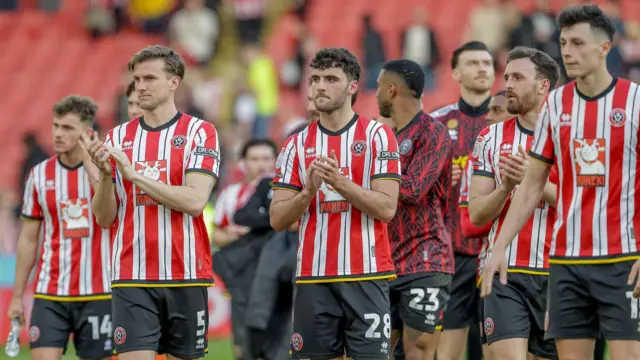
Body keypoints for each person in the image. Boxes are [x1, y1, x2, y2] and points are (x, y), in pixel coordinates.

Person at [482, 5, 640, 360]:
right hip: (567, 262)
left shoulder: (635, 101)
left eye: (578, 43)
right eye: (564, 42)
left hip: (623, 260)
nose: (567, 50)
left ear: (604, 48)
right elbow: (532, 185)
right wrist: (499, 248)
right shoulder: (556, 104)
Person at [84, 45, 220, 360]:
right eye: (137, 79)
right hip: (132, 274)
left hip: (185, 273)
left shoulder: (201, 133)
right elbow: (105, 218)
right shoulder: (117, 137)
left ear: (174, 82)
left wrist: (135, 176)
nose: (141, 86)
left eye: (149, 78)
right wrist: (106, 177)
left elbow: (195, 200)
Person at [270, 47, 401, 360]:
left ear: (353, 86)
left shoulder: (378, 136)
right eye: (315, 78)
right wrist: (307, 192)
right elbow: (277, 219)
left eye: (330, 79)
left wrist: (340, 182)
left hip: (367, 276)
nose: (319, 86)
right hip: (313, 278)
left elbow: (386, 208)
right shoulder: (295, 144)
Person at [470, 46, 560, 360]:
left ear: (543, 85)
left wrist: (532, 181)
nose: (507, 83)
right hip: (505, 273)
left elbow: (583, 206)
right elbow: (478, 213)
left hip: (560, 274)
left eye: (518, 77)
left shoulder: (572, 134)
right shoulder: (489, 138)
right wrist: (505, 187)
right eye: (507, 76)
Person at [7, 95, 113, 360]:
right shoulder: (39, 175)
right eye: (56, 126)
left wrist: (93, 166)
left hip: (100, 293)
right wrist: (18, 296)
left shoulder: (105, 173)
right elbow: (28, 240)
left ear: (87, 133)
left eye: (67, 128)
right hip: (50, 293)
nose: (57, 133)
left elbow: (111, 219)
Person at [375, 59, 453, 360]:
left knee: (418, 349)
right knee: (381, 350)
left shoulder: (432, 132)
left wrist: (369, 182)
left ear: (392, 90)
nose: (377, 93)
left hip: (426, 256)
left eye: (380, 86)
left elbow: (413, 188)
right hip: (387, 259)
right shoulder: (386, 139)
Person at [429, 41, 495, 360]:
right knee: (447, 354)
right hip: (452, 255)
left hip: (498, 252)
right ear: (455, 72)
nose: (483, 68)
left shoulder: (509, 122)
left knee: (499, 350)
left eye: (487, 62)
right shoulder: (435, 125)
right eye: (473, 63)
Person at [456, 90, 512, 360]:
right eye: (488, 110)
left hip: (550, 266)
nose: (488, 116)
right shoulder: (478, 160)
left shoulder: (548, 148)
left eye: (497, 110)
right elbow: (469, 225)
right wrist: (506, 192)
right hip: (494, 268)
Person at [211, 139, 276, 359]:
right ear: (243, 163)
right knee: (243, 345)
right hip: (243, 276)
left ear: (275, 161)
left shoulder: (284, 191)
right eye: (254, 159)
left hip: (276, 276)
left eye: (266, 158)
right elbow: (217, 235)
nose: (261, 165)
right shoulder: (230, 195)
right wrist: (231, 235)